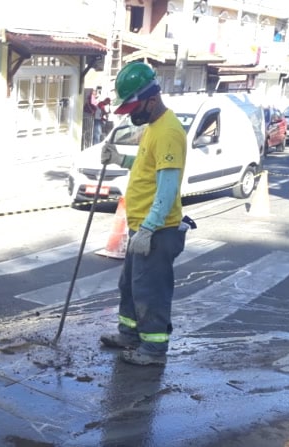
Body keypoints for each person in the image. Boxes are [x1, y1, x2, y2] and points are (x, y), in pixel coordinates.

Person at [99, 62, 187, 366]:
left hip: (158, 232)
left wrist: (149, 228)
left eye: (134, 107)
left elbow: (167, 188)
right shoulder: (154, 128)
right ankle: (129, 334)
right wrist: (120, 158)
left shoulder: (169, 132)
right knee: (130, 287)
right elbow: (146, 166)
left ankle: (153, 351)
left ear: (152, 99)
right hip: (142, 227)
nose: (131, 115)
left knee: (151, 292)